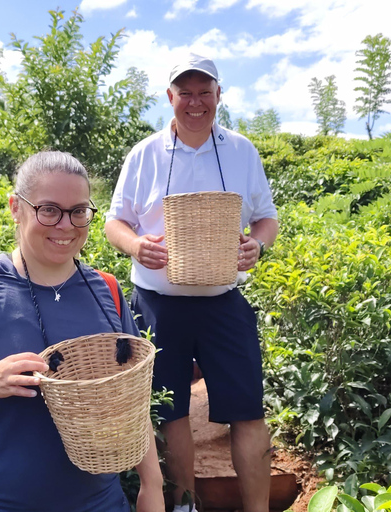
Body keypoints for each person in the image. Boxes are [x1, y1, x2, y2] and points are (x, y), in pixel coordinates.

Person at [0, 151, 164, 512]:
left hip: (97, 503)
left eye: (79, 211)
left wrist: (152, 483)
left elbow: (130, 402)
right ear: (15, 207)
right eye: (49, 210)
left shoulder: (108, 291)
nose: (66, 225)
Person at [105, 54, 279, 512]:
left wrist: (257, 246)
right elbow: (114, 222)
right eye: (186, 92)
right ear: (170, 98)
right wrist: (135, 246)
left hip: (224, 300)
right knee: (171, 410)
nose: (196, 101)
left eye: (205, 91)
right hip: (157, 303)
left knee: (247, 409)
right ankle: (184, 504)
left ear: (219, 95)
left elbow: (267, 218)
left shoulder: (241, 151)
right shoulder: (144, 154)